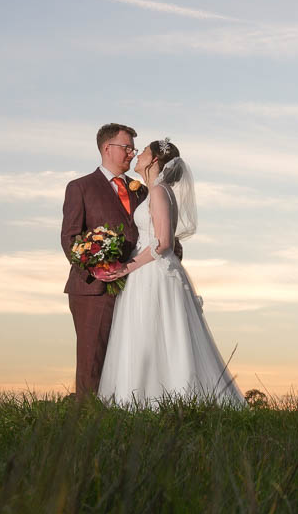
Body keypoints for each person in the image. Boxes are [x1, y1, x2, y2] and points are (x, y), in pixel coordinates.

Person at [97, 138, 245, 407]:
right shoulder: (156, 191)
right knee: (147, 334)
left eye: (143, 151)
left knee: (156, 333)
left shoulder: (158, 192)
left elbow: (163, 243)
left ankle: (161, 399)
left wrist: (126, 267)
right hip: (146, 271)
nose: (137, 154)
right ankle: (144, 399)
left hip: (154, 273)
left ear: (154, 160)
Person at [58, 123, 144, 397]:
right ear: (107, 148)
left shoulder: (142, 191)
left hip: (137, 286)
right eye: (127, 147)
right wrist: (97, 267)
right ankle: (86, 415)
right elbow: (70, 237)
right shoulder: (80, 187)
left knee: (131, 359)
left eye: (133, 149)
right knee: (93, 361)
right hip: (94, 289)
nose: (131, 153)